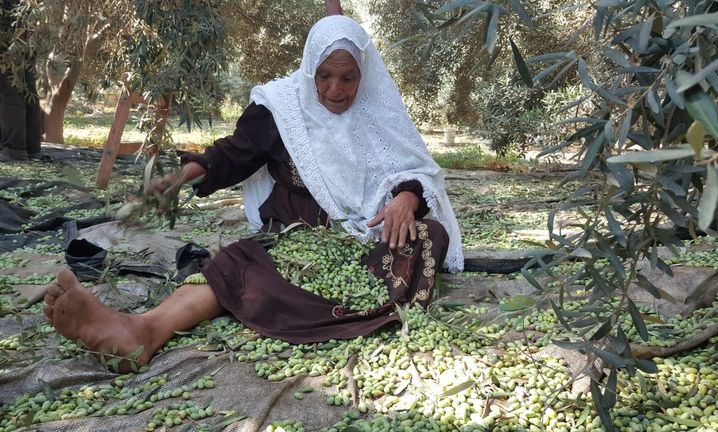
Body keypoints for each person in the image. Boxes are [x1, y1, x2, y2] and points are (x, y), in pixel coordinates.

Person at [42, 15, 464, 371]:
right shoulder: (281, 109)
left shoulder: (377, 111)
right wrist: (174, 181)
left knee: (431, 235)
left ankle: (338, 302)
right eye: (324, 76)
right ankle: (143, 330)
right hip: (297, 238)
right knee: (234, 266)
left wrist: (407, 199)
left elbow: (414, 169)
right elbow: (231, 155)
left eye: (347, 78)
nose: (335, 89)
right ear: (309, 69)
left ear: (363, 75)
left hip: (370, 239)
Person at [0, 0, 44, 162]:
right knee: (27, 90)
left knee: (8, 93)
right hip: (25, 34)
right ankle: (32, 148)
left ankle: (14, 149)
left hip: (8, 34)